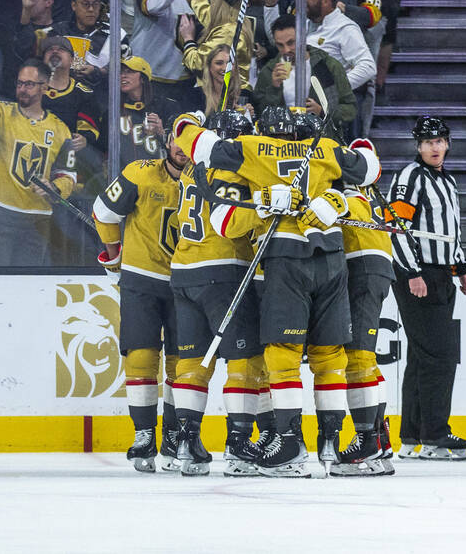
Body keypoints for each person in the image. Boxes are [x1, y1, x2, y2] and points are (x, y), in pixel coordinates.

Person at [174, 106, 381, 477]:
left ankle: (289, 443)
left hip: (286, 258)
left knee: (282, 353)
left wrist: (184, 122)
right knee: (329, 355)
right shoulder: (327, 149)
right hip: (333, 259)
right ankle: (331, 444)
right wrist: (338, 199)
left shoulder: (252, 147)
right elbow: (370, 168)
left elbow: (198, 146)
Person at [169, 109, 267, 478]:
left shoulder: (193, 165)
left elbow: (182, 126)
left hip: (183, 272)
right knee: (244, 361)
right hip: (224, 270)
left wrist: (195, 116)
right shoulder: (233, 169)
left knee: (192, 362)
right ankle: (239, 444)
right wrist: (263, 209)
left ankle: (186, 443)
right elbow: (231, 223)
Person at [92, 132, 187, 473]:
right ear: (167, 142)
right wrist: (115, 257)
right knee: (142, 355)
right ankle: (144, 435)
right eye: (177, 138)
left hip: (188, 282)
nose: (181, 147)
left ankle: (177, 435)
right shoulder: (139, 172)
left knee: (182, 364)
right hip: (142, 278)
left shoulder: (209, 179)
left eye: (189, 139)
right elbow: (103, 212)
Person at [388, 115, 466, 461]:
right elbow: (396, 227)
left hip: (440, 275)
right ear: (418, 146)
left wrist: (462, 270)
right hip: (419, 275)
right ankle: (436, 435)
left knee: (422, 356)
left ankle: (412, 437)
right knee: (440, 356)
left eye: (439, 141)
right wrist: (412, 272)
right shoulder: (410, 176)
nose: (434, 147)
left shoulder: (448, 181)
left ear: (448, 143)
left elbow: (448, 234)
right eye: (427, 142)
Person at [0, 58, 76, 267]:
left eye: (29, 84)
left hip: (37, 221)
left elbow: (69, 175)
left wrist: (55, 188)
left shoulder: (60, 129)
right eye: (19, 83)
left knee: (28, 289)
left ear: (45, 86)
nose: (22, 89)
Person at [331, 184, 396, 477]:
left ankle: (366, 443)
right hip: (377, 268)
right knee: (366, 359)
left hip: (362, 267)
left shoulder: (343, 193)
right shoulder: (364, 196)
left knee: (357, 358)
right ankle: (378, 440)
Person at [253, 15, 357, 137]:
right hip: (281, 143)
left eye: (291, 43)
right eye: (280, 45)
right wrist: (274, 89)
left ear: (303, 37)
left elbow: (350, 109)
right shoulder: (269, 71)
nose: (286, 50)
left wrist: (323, 112)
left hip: (320, 142)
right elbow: (260, 114)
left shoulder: (328, 66)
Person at [305, 0, 375, 137]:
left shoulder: (345, 28)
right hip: (310, 107)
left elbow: (368, 66)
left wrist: (337, 90)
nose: (304, 1)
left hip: (334, 112)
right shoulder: (305, 24)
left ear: (326, 1)